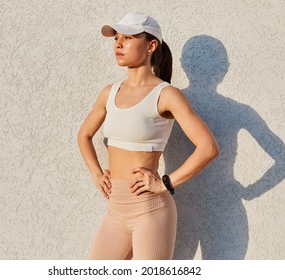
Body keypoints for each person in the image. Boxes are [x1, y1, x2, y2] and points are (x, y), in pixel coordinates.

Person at [77, 12, 219, 260]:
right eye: (116, 38)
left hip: (150, 211)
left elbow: (208, 147)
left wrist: (166, 183)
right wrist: (97, 174)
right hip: (115, 211)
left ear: (151, 45)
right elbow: (84, 135)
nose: (118, 44)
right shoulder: (109, 92)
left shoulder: (166, 95)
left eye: (128, 38)